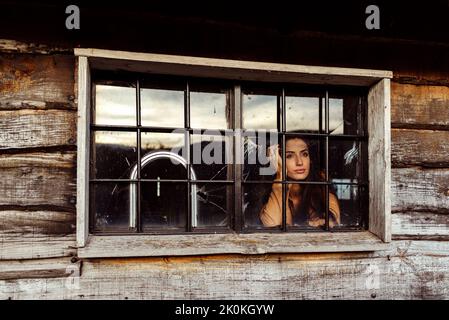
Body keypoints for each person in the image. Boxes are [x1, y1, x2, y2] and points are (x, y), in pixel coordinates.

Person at [259, 135, 340, 228]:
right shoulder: (268, 192)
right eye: (289, 156)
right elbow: (272, 227)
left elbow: (334, 225)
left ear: (310, 159)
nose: (299, 162)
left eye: (304, 154)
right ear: (277, 161)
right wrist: (280, 175)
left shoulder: (323, 189)